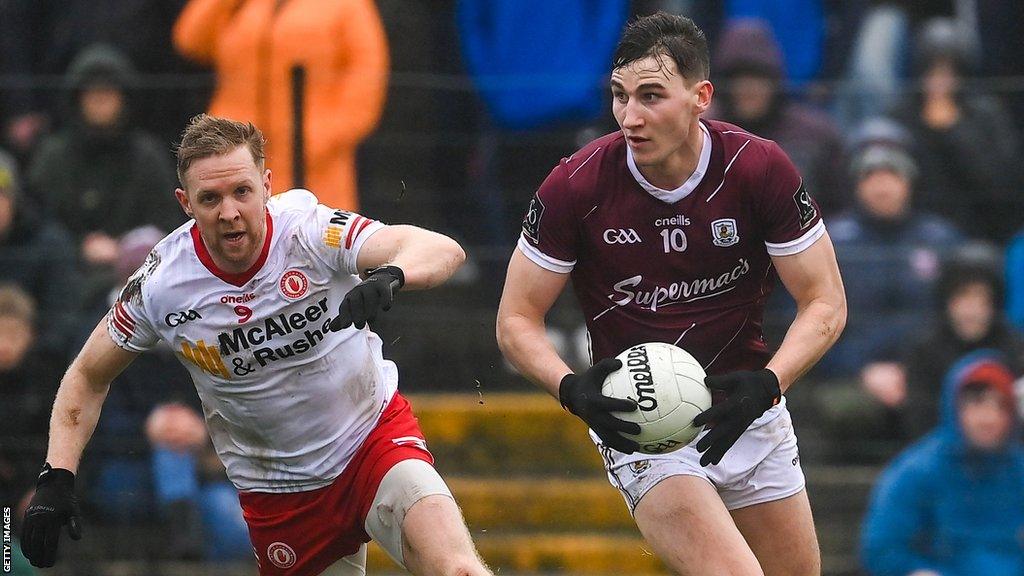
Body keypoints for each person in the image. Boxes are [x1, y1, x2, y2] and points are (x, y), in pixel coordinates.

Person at [21, 114, 491, 576]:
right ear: (185, 202)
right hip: (279, 496)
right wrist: (57, 476)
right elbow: (86, 374)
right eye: (210, 198)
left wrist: (393, 274)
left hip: (372, 443)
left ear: (267, 184)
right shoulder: (161, 284)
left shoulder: (308, 230)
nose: (229, 213)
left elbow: (440, 248)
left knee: (456, 568)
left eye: (242, 191)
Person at [496, 13, 846, 576]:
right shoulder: (574, 185)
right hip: (644, 425)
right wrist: (571, 388)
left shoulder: (758, 168)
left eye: (651, 96)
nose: (630, 117)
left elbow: (826, 302)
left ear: (700, 96)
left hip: (747, 411)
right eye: (619, 96)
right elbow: (515, 319)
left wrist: (768, 384)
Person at [173, 0, 389, 211]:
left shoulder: (347, 5)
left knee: (316, 236)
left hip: (314, 160)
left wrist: (321, 137)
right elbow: (190, 40)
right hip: (233, 154)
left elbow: (366, 78)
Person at [860, 351, 1024, 576]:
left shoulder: (1018, 471)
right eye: (977, 403)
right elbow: (882, 548)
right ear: (954, 408)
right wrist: (915, 571)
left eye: (1000, 405)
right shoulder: (916, 471)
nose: (989, 417)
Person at [710, 19, 847, 215]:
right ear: (723, 85)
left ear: (775, 82)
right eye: (739, 80)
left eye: (758, 79)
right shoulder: (703, 135)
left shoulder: (817, 135)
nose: (748, 89)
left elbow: (841, 211)